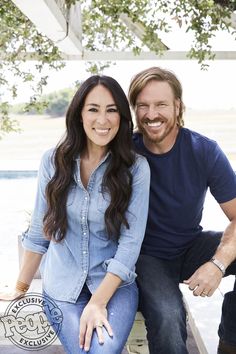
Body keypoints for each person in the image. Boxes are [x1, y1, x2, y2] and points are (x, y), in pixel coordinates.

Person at [0, 75, 150, 354]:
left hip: (113, 286)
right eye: (93, 109)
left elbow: (130, 244)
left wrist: (98, 302)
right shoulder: (53, 161)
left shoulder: (136, 168)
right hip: (61, 288)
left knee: (102, 351)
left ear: (122, 116)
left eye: (111, 109)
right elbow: (38, 231)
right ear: (79, 113)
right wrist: (20, 287)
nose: (102, 120)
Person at [128, 66, 236, 354]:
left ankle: (230, 343)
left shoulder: (204, 150)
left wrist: (218, 264)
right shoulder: (124, 153)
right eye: (143, 106)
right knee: (167, 316)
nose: (152, 114)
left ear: (178, 106)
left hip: (190, 246)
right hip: (146, 257)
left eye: (161, 104)